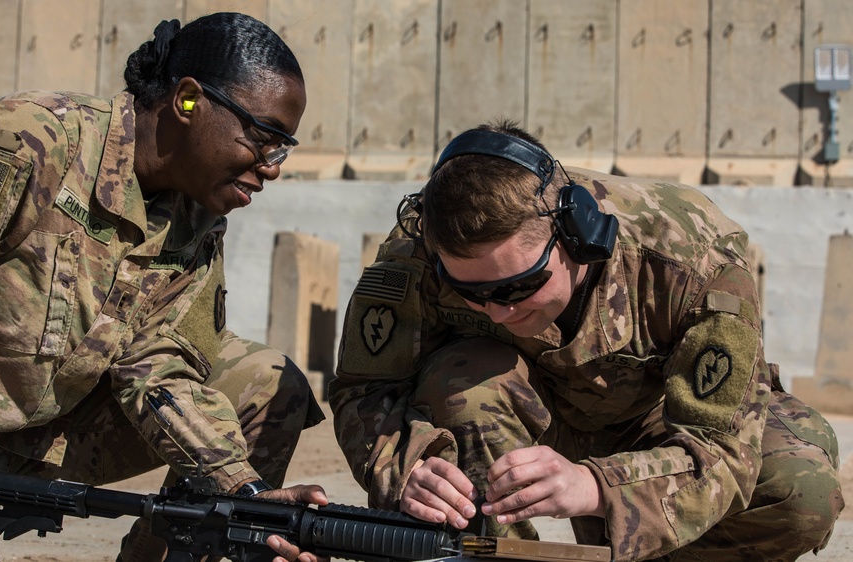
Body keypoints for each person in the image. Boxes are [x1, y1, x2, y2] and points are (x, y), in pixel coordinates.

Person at [0, 13, 328, 562]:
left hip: (52, 432)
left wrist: (241, 493)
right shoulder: (32, 140)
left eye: (280, 150)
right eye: (262, 139)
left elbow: (158, 365)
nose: (270, 168)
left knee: (267, 382)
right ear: (189, 101)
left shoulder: (197, 217)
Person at [329, 121, 844, 561]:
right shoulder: (414, 256)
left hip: (660, 425)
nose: (500, 310)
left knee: (802, 491)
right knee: (465, 381)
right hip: (524, 421)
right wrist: (408, 468)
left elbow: (722, 449)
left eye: (520, 285)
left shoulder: (691, 254)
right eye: (472, 292)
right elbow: (365, 389)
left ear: (579, 235)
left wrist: (596, 486)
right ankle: (495, 555)